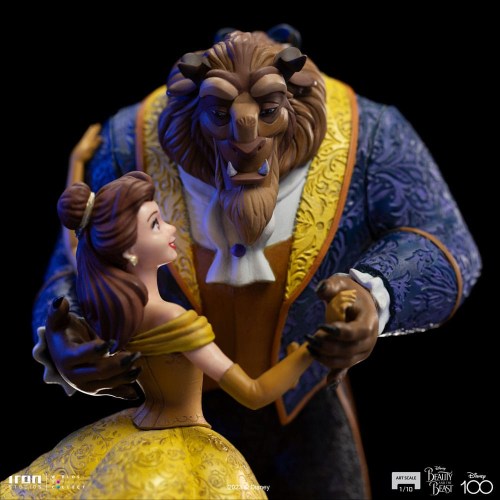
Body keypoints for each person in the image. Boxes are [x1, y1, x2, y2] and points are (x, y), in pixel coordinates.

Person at [32, 28, 481, 498]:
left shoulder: (369, 134)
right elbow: (75, 261)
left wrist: (373, 294)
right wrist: (69, 332)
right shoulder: (129, 142)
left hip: (308, 412)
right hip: (178, 429)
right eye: (219, 116)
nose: (245, 143)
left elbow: (445, 239)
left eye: (267, 113)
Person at [3, 171, 355, 499]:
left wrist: (77, 162)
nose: (172, 229)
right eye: (156, 224)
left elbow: (74, 247)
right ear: (129, 251)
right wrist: (311, 351)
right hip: (184, 442)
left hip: (131, 429)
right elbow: (254, 393)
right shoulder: (172, 319)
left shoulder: (120, 312)